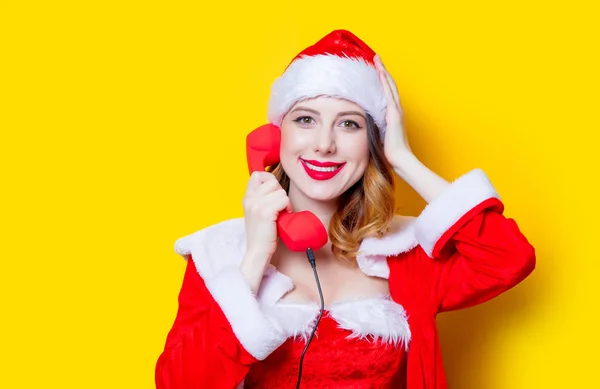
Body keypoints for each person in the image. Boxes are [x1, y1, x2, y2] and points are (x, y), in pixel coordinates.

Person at [154, 30, 536, 389]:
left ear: (372, 143)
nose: (324, 144)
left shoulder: (405, 257)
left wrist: (403, 158)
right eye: (305, 119)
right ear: (274, 136)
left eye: (349, 124)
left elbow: (508, 258)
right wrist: (254, 257)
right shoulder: (220, 255)